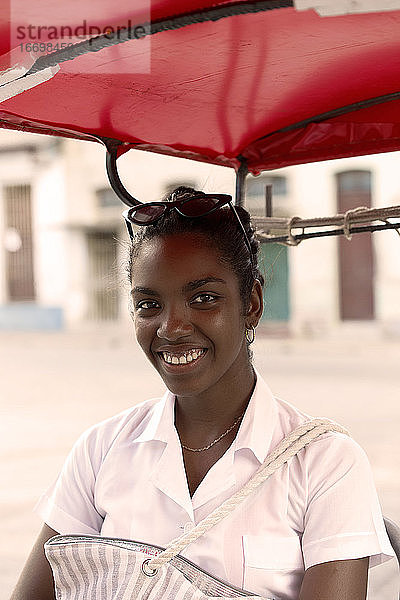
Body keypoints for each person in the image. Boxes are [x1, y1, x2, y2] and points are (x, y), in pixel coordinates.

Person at [11, 186, 394, 600]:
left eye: (203, 298)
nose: (172, 327)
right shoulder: (100, 450)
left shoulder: (325, 464)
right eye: (148, 305)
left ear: (251, 302)